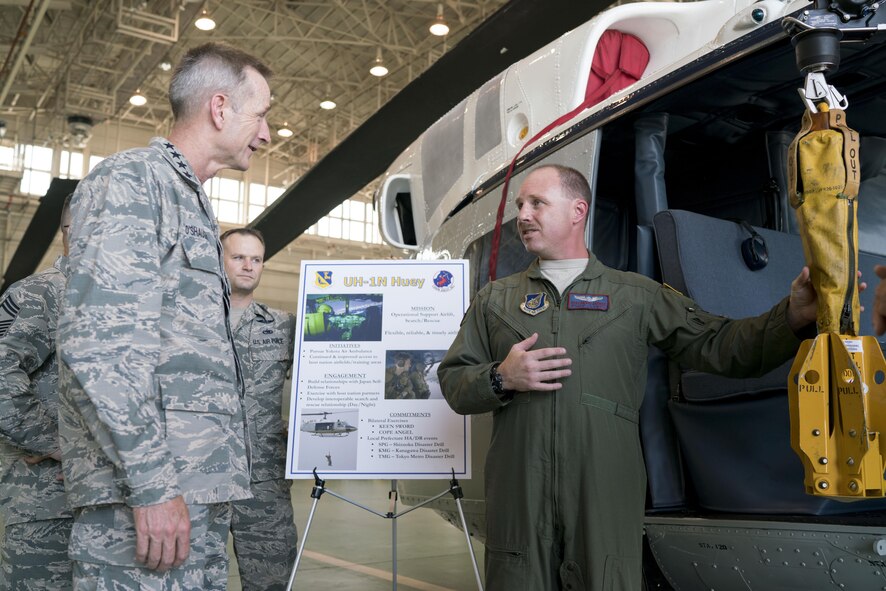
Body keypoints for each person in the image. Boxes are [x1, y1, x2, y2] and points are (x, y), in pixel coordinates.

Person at [437, 164, 819, 591]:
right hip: (520, 502)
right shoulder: (496, 299)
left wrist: (791, 317)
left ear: (578, 209)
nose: (522, 215)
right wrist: (500, 377)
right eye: (520, 205)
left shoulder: (636, 295)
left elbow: (723, 345)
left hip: (604, 500)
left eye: (537, 203)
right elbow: (454, 382)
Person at [57, 43, 271, 589]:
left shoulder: (192, 204)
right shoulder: (132, 183)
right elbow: (100, 347)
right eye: (261, 115)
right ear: (219, 108)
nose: (267, 134)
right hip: (144, 503)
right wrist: (153, 485)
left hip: (190, 497)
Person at [0, 195, 73, 589]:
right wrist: (57, 441)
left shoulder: (110, 302)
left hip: (101, 506)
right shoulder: (39, 295)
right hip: (43, 503)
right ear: (74, 229)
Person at [221, 227, 298, 591]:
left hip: (264, 482)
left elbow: (321, 380)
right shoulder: (189, 324)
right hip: (201, 480)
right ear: (219, 261)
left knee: (270, 582)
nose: (248, 266)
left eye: (256, 259)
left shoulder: (283, 326)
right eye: (238, 257)